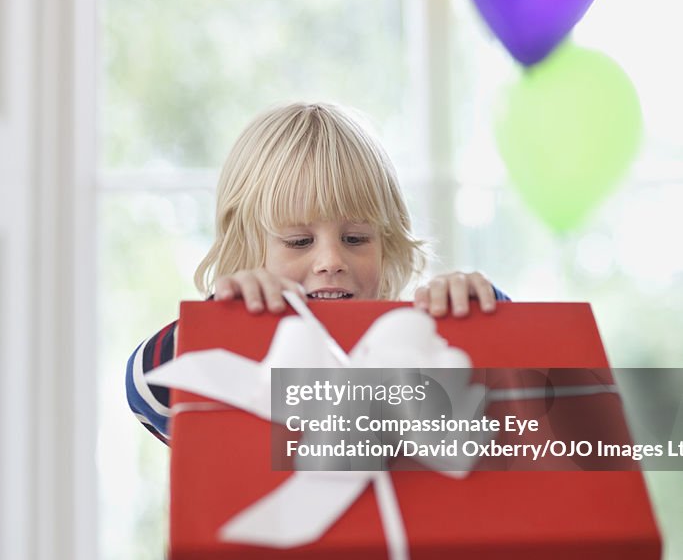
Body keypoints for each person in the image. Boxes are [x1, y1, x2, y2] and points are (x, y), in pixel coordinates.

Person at [126, 102, 510, 445]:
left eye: (356, 238)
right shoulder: (237, 362)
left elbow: (529, 398)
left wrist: (482, 312)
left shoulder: (421, 347)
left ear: (386, 244)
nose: (331, 260)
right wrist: (227, 319)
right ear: (247, 248)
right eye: (298, 242)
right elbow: (144, 388)